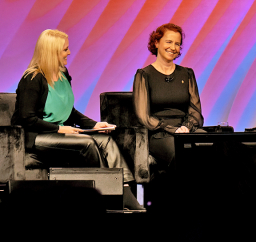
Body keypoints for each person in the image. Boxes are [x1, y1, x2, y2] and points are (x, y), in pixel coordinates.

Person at [11, 29, 143, 210]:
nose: (69, 52)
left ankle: (126, 192)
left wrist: (95, 124)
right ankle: (106, 198)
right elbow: (27, 118)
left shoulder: (63, 74)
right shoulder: (32, 79)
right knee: (87, 143)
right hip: (36, 136)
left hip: (58, 133)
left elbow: (69, 111)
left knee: (105, 140)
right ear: (52, 51)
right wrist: (59, 129)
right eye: (65, 49)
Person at [133, 23, 204, 175]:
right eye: (169, 42)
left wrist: (186, 128)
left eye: (177, 44)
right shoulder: (144, 75)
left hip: (186, 129)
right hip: (160, 133)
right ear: (156, 42)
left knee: (210, 146)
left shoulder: (187, 74)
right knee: (181, 152)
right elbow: (143, 116)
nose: (173, 47)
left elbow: (196, 111)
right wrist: (173, 130)